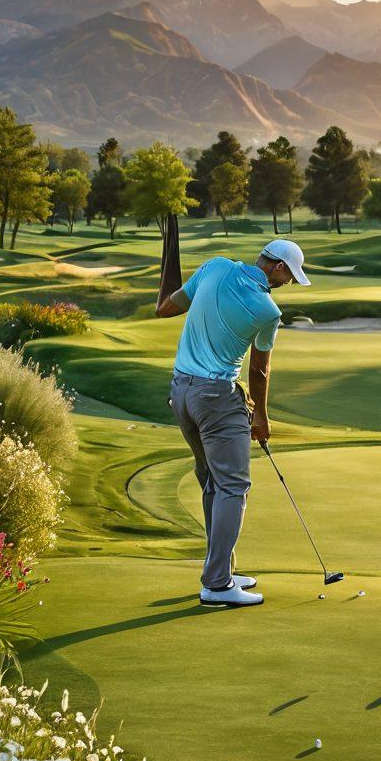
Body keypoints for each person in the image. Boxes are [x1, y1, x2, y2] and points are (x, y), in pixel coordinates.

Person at [157, 239, 310, 607]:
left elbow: (165, 309)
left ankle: (220, 567)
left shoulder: (214, 267)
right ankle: (217, 584)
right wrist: (261, 416)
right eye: (291, 276)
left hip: (181, 392)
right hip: (216, 398)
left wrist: (166, 286)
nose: (289, 283)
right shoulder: (267, 309)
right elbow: (259, 369)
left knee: (212, 480)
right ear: (278, 268)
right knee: (233, 487)